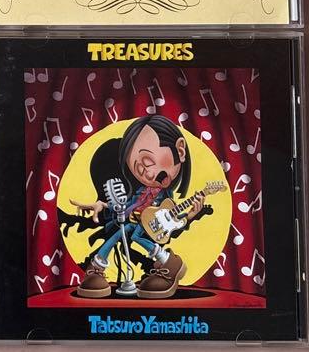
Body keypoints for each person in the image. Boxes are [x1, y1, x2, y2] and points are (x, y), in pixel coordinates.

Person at [69, 114, 206, 299]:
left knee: (132, 235)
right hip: (135, 222)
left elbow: (171, 223)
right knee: (119, 233)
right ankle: (97, 266)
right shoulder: (141, 190)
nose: (146, 173)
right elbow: (127, 206)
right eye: (137, 168)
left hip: (150, 227)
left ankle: (168, 261)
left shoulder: (165, 198)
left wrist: (189, 216)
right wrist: (104, 205)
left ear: (180, 151)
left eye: (148, 161)